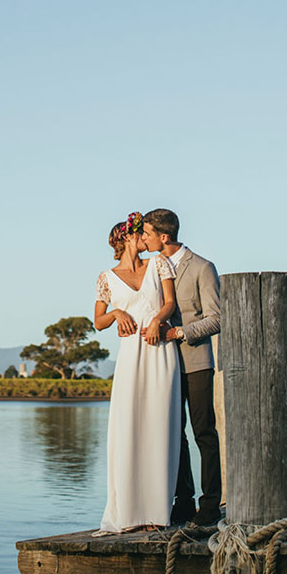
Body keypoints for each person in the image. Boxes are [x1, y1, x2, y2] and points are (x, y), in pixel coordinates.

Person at [94, 211, 181, 533]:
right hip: (130, 355)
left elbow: (169, 302)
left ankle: (157, 513)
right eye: (139, 234)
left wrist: (158, 320)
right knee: (128, 426)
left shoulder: (159, 265)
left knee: (160, 426)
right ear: (126, 238)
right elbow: (97, 322)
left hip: (159, 349)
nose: (144, 238)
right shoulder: (106, 277)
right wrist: (117, 312)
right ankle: (128, 513)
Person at [142, 208, 222, 526]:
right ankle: (183, 502)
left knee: (204, 432)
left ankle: (212, 505)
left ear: (163, 236)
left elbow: (217, 318)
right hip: (164, 366)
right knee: (175, 435)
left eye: (147, 233)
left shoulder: (203, 267)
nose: (142, 239)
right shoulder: (150, 269)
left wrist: (178, 332)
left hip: (197, 362)